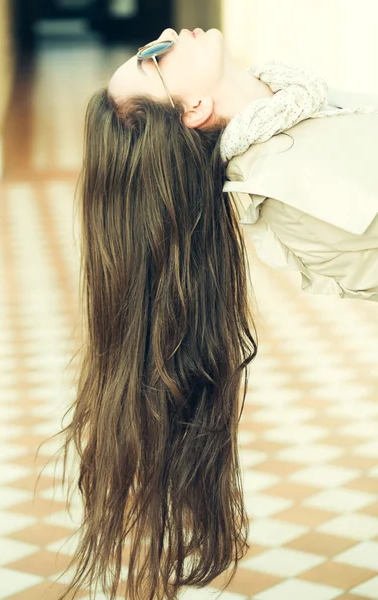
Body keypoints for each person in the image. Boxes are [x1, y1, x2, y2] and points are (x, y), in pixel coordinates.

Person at [56, 27, 378, 600]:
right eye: (155, 56)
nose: (162, 36)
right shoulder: (295, 194)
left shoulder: (298, 107)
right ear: (196, 108)